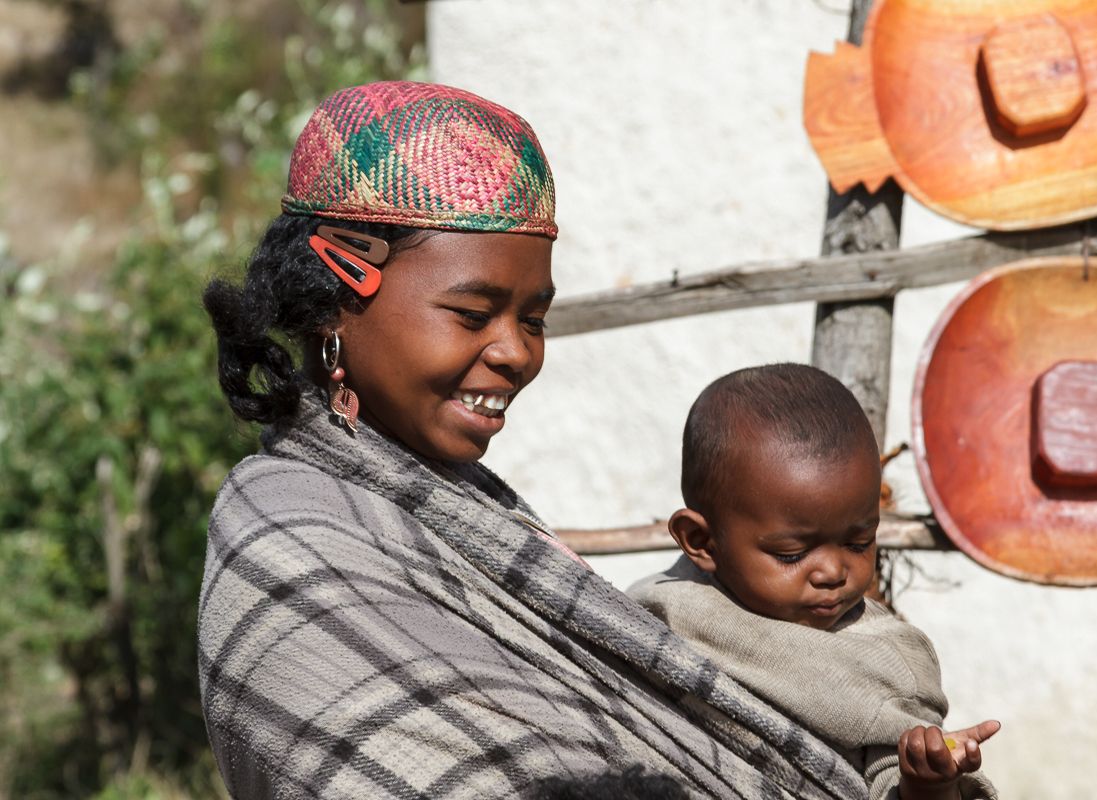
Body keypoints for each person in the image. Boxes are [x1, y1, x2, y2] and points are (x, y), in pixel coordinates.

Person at [198, 81, 869, 799]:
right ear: (335, 300)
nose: (516, 352)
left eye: (534, 320)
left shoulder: (463, 507)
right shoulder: (289, 534)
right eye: (471, 314)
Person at [627, 364, 1001, 800]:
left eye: (859, 543)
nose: (832, 573)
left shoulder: (885, 662)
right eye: (791, 554)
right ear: (701, 541)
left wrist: (927, 782)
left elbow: (889, 779)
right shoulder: (656, 608)